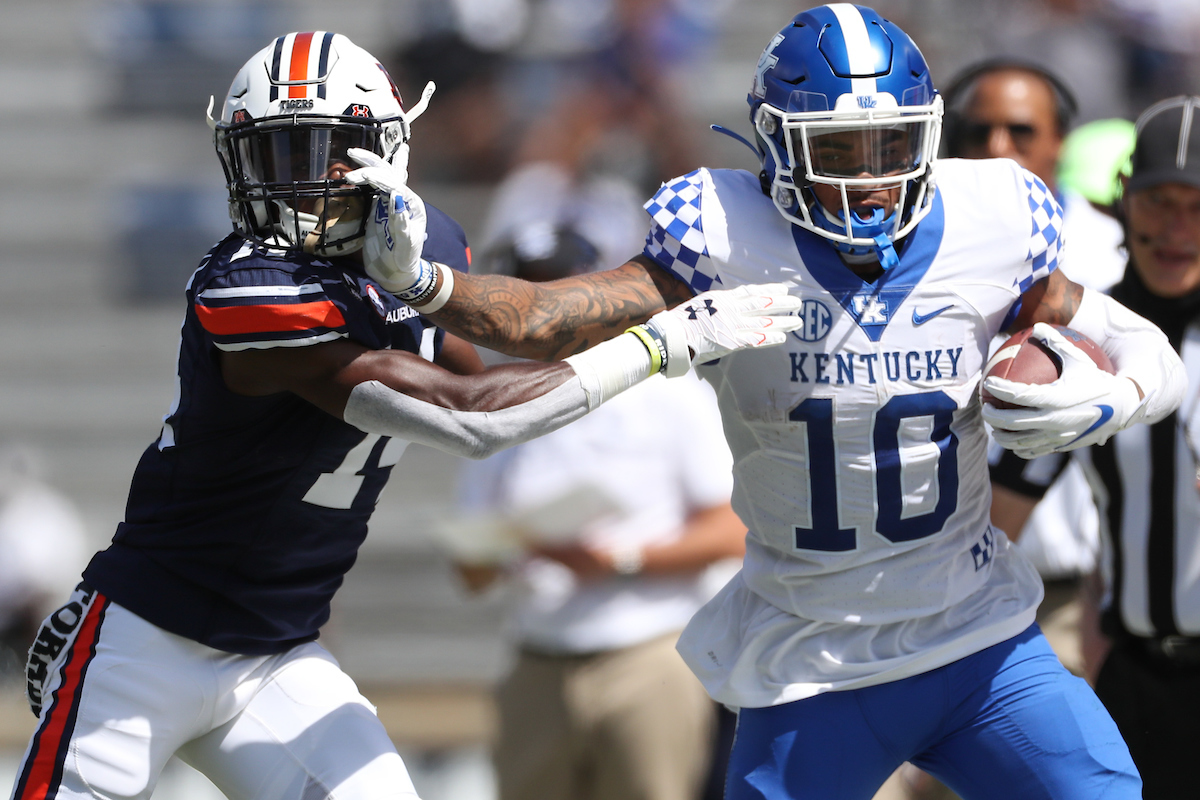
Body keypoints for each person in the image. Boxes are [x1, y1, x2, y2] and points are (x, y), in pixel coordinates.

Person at [350, 6, 1188, 799]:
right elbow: (540, 320)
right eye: (842, 150)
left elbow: (1141, 343)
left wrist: (1111, 399)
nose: (873, 178)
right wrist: (424, 284)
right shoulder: (722, 240)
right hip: (816, 659)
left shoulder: (989, 221)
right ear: (779, 149)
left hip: (981, 641)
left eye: (891, 143)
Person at [7, 31, 802, 800]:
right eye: (277, 158)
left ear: (382, 153)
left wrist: (422, 283)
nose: (297, 185)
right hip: (147, 640)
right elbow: (470, 418)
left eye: (323, 156)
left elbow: (482, 370)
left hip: (277, 658)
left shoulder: (424, 244)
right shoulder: (247, 291)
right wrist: (660, 342)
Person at [453, 226, 745, 800]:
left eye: (549, 293)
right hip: (537, 654)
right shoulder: (494, 401)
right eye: (520, 294)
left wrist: (619, 559)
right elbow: (471, 570)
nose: (535, 315)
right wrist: (515, 545)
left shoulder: (668, 392)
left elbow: (733, 529)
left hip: (648, 653)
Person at [990, 94, 1200, 799]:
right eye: (1158, 202)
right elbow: (993, 522)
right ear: (1119, 201)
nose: (1177, 229)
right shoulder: (1088, 341)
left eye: (1197, 204)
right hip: (1134, 680)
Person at [943, 60, 1124, 680]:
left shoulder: (1117, 253)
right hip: (941, 596)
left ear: (1059, 142)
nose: (997, 149)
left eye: (1020, 131)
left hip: (1082, 602)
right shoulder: (908, 261)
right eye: (978, 132)